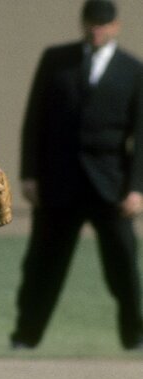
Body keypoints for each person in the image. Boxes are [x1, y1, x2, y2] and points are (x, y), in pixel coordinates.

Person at [11, 0, 143, 351]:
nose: (96, 30)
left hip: (110, 187)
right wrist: (29, 174)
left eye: (103, 24)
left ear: (116, 26)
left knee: (124, 265)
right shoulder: (56, 60)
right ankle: (25, 336)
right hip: (59, 184)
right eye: (91, 23)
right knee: (42, 265)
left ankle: (135, 336)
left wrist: (136, 188)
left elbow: (141, 136)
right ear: (82, 24)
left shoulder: (133, 70)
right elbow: (34, 119)